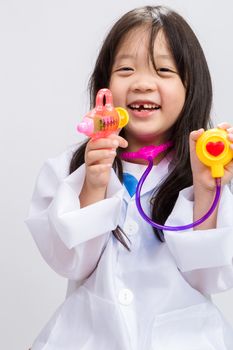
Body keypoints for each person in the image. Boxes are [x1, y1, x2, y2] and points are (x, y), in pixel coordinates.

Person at [26, 5, 233, 350]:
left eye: (164, 70)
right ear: (105, 85)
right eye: (125, 69)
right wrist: (93, 182)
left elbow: (207, 275)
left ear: (190, 87)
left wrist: (206, 186)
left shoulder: (206, 166)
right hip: (89, 337)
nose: (142, 83)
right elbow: (70, 262)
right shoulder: (70, 168)